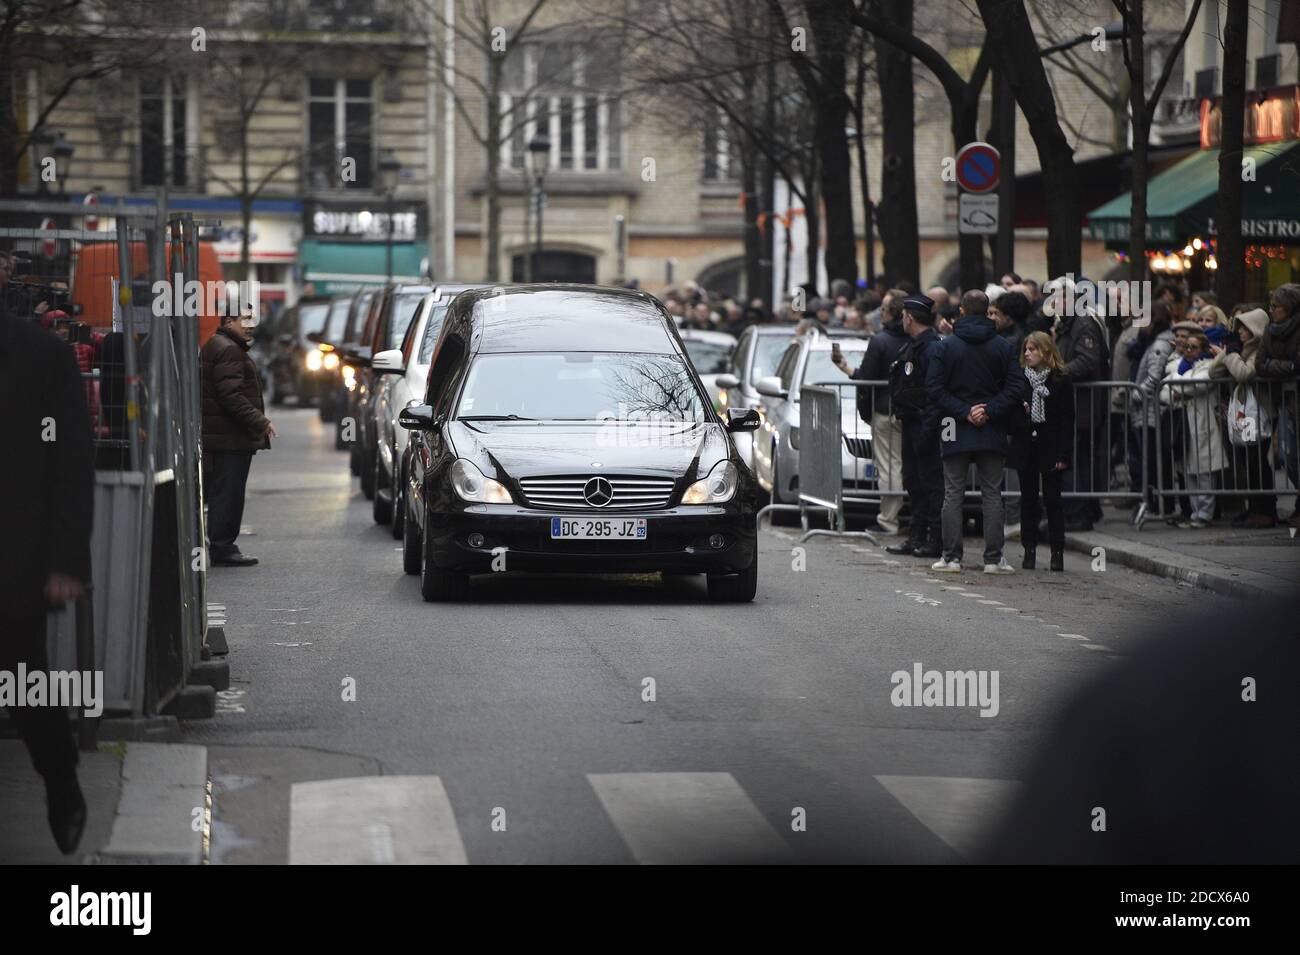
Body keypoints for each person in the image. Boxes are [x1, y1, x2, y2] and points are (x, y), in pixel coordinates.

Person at [1, 255, 94, 854]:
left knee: (23, 681)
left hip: (15, 555)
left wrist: (65, 561)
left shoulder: (40, 355)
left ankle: (61, 784)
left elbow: (70, 465)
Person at [925, 289, 1027, 574]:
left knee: (953, 492)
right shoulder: (1003, 347)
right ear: (988, 312)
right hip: (992, 426)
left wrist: (963, 411)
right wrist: (989, 410)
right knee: (992, 492)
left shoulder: (946, 346)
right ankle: (993, 559)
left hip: (953, 425)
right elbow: (1016, 387)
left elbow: (934, 388)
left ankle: (951, 557)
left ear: (961, 312)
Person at [200, 310, 277, 566]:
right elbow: (231, 396)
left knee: (224, 491)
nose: (250, 326)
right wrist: (260, 421)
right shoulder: (229, 350)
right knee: (228, 493)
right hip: (229, 438)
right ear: (227, 322)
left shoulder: (220, 345)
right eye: (244, 320)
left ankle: (222, 545)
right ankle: (223, 548)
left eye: (252, 320)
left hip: (224, 436)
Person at [834, 288, 909, 534]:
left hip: (886, 411)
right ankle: (906, 516)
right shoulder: (915, 337)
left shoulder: (881, 340)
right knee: (901, 464)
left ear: (893, 312)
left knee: (889, 466)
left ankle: (888, 520)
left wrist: (846, 368)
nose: (881, 314)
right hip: (909, 412)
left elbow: (866, 377)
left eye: (884, 310)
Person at [884, 294, 943, 558]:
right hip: (911, 422)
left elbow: (934, 393)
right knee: (913, 482)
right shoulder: (914, 346)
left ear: (910, 317)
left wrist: (928, 430)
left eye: (903, 316)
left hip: (924, 425)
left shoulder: (931, 348)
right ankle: (916, 535)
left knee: (930, 484)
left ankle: (935, 539)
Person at [1009, 332, 1074, 570]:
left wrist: (1063, 455)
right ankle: (1029, 550)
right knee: (1028, 500)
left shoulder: (1060, 380)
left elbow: (1068, 421)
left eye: (1033, 349)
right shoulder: (1020, 379)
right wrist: (1022, 411)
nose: (1027, 354)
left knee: (1053, 501)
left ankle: (1057, 552)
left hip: (1051, 447)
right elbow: (1011, 415)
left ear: (1046, 352)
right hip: (1026, 445)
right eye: (1026, 349)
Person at [1209, 306, 1276, 527]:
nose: (1239, 332)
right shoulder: (1240, 348)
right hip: (1243, 413)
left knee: (1257, 461)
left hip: (1258, 413)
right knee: (1247, 462)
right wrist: (1229, 352)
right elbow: (1214, 372)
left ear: (1255, 330)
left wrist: (1231, 355)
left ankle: (1265, 510)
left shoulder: (1258, 350)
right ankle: (1254, 508)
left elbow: (1244, 373)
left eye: (1243, 328)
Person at [1052, 284, 1109, 532]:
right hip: (1074, 404)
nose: (1054, 303)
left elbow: (1087, 360)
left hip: (1081, 405)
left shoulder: (1083, 324)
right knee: (1078, 458)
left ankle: (1079, 513)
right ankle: (1081, 510)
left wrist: (1057, 373)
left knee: (1076, 459)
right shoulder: (1070, 323)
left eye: (1059, 298)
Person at [1255, 283, 1300, 532]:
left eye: (1276, 307)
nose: (1271, 311)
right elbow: (1260, 364)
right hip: (1284, 401)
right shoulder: (1270, 330)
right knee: (1285, 455)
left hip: (1296, 398)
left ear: (1289, 308)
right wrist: (1288, 367)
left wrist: (1284, 366)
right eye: (1270, 306)